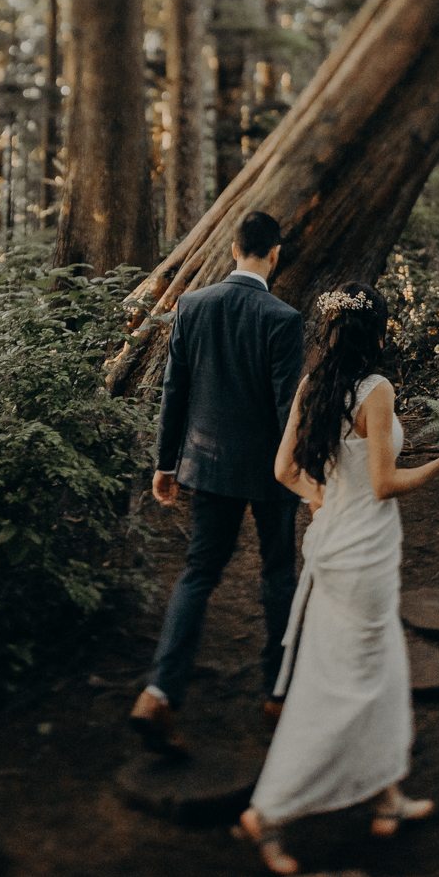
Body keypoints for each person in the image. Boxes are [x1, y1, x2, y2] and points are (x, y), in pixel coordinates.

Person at [234, 282, 439, 875]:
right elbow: (385, 484)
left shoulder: (314, 386)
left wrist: (322, 498)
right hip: (364, 555)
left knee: (382, 670)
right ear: (376, 331)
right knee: (343, 688)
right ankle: (270, 809)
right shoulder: (377, 390)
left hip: (332, 544)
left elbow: (284, 468)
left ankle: (387, 794)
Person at [129, 210, 308, 758]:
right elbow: (287, 410)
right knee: (279, 573)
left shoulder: (193, 305)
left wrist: (165, 463)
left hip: (206, 468)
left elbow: (174, 391)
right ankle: (279, 694)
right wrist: (303, 474)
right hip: (271, 473)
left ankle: (159, 692)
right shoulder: (283, 318)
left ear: (234, 249)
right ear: (274, 254)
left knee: (199, 572)